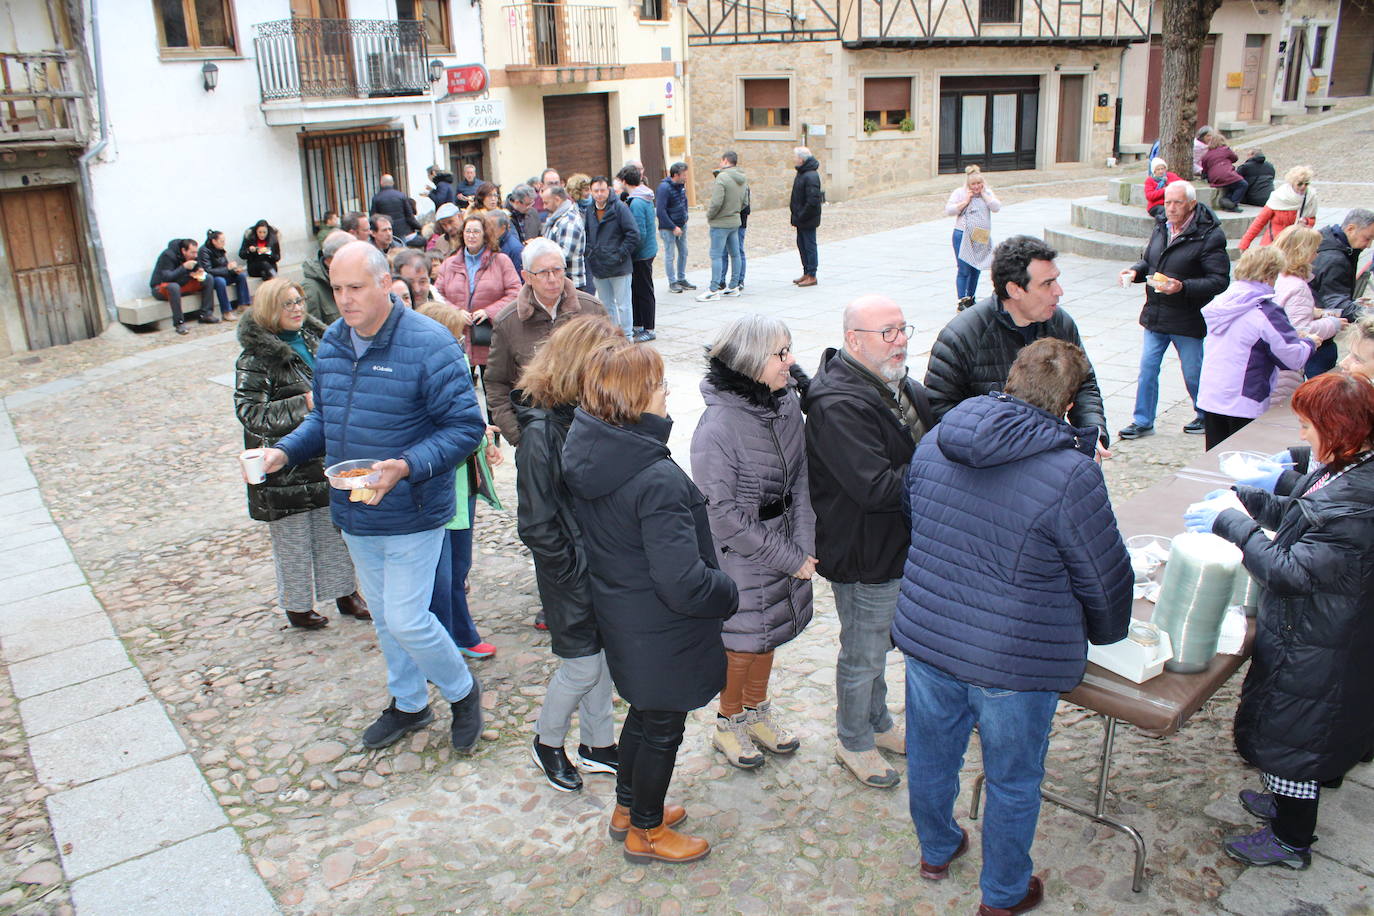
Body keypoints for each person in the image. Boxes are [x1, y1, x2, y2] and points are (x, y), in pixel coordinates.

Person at [894, 338, 1132, 916]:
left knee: (930, 755)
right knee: (1012, 779)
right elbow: (1104, 579)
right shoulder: (1070, 474)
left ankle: (937, 850)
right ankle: (1002, 894)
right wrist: (1105, 634)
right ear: (1069, 405)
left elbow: (916, 515)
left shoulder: (935, 442)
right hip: (1014, 660)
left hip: (930, 637)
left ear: (1010, 380)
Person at [260, 241, 486, 753]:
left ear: (386, 283)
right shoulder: (334, 343)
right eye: (337, 288)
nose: (343, 299)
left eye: (355, 287)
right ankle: (409, 703)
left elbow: (465, 428)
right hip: (355, 507)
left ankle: (462, 690)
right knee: (386, 618)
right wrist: (283, 453)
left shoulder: (430, 343)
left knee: (408, 618)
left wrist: (404, 466)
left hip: (413, 507)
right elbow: (325, 419)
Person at [1185, 371, 1374, 871]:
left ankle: (1291, 840)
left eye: (1310, 426)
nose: (1303, 436)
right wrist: (1250, 500)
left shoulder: (1356, 507)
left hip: (1319, 640)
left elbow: (1288, 572)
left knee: (1295, 740)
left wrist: (1233, 524)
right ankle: (1287, 802)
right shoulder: (1347, 471)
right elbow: (1301, 514)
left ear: (1340, 431)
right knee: (1288, 730)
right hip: (1313, 632)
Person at [562, 344, 739, 864]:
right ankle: (647, 831)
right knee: (662, 729)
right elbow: (682, 582)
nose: (667, 394)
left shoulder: (598, 454)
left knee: (644, 717)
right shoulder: (652, 476)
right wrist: (727, 591)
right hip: (665, 629)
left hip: (627, 618)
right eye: (661, 387)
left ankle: (628, 807)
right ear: (636, 399)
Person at [804, 295, 935, 789]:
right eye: (888, 332)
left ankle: (878, 725)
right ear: (854, 340)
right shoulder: (838, 403)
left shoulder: (892, 383)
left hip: (895, 543)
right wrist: (939, 471)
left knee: (879, 646)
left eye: (903, 329)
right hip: (863, 550)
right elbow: (876, 487)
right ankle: (852, 740)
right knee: (863, 653)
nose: (900, 340)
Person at [691, 315, 815, 770]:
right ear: (748, 362)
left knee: (770, 634)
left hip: (783, 539)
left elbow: (800, 476)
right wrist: (789, 557)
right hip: (741, 552)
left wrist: (802, 542)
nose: (791, 361)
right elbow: (720, 513)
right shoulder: (718, 426)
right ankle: (728, 722)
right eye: (780, 353)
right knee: (743, 642)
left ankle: (757, 712)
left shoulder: (786, 405)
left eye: (789, 348)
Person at [513, 314, 626, 790]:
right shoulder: (541, 432)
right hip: (570, 572)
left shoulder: (583, 415)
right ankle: (547, 740)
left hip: (596, 563)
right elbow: (537, 525)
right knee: (580, 665)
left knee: (598, 656)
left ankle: (599, 743)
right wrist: (577, 568)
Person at [234, 277, 369, 630]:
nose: (296, 309)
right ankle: (296, 604)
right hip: (285, 464)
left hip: (326, 455)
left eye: (299, 301)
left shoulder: (316, 338)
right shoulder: (256, 357)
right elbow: (251, 413)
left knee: (332, 528)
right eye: (287, 304)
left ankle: (345, 593)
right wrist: (304, 404)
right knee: (293, 538)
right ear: (269, 310)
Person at [925, 236, 1108, 447]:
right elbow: (941, 414)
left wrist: (1094, 436)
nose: (1059, 291)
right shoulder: (960, 337)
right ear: (1015, 290)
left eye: (1056, 280)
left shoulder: (1060, 323)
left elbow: (1084, 383)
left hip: (1049, 451)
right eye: (1047, 284)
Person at [416, 301, 504, 660]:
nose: (461, 347)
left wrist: (482, 437)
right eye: (454, 339)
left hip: (461, 484)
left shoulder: (451, 370)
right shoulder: (424, 375)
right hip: (441, 489)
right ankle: (453, 636)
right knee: (444, 570)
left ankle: (457, 632)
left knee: (458, 564)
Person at [1118, 180, 1230, 438]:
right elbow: (1150, 260)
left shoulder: (1209, 234)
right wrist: (1135, 271)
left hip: (1187, 316)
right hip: (1156, 312)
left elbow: (1219, 280)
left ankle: (1205, 414)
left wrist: (1183, 287)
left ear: (1191, 204)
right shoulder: (1161, 225)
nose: (1170, 208)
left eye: (1177, 202)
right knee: (1147, 369)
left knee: (1193, 371)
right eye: (1167, 202)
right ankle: (1143, 420)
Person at [484, 238, 607, 453]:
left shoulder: (591, 309)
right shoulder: (508, 321)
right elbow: (496, 384)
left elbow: (618, 368)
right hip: (539, 442)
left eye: (557, 270)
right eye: (543, 272)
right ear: (527, 277)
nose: (552, 279)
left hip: (592, 436)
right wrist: (519, 436)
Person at [1197, 246, 1317, 448]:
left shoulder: (1221, 302)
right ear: (1269, 275)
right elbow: (1292, 357)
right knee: (1242, 461)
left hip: (1212, 394)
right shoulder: (1265, 311)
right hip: (1245, 399)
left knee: (1215, 461)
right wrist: (1310, 342)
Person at [435, 214, 521, 377]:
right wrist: (455, 312)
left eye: (476, 231)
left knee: (493, 391)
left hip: (489, 338)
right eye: (468, 231)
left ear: (485, 234)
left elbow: (515, 292)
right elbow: (437, 295)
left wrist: (489, 312)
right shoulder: (449, 264)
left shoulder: (501, 261)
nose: (471, 235)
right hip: (457, 337)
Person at [1271, 226, 1346, 398]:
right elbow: (1299, 329)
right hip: (1284, 369)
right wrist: (1333, 324)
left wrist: (1314, 312)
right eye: (1314, 250)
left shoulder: (1277, 278)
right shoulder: (1297, 286)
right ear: (1303, 253)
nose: (1317, 255)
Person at [584, 175, 639, 337]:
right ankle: (613, 336)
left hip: (619, 266)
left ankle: (627, 337)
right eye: (596, 191)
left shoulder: (619, 208)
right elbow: (587, 233)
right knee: (606, 305)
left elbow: (633, 234)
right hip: (599, 266)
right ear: (591, 192)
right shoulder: (589, 210)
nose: (599, 194)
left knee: (624, 305)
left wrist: (620, 254)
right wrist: (590, 252)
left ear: (608, 190)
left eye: (602, 190)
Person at [944, 165, 1002, 311]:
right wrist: (965, 201)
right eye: (973, 184)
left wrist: (984, 195)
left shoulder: (986, 193)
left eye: (979, 184)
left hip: (980, 234)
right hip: (963, 233)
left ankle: (971, 297)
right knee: (964, 268)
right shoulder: (960, 193)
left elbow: (996, 207)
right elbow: (949, 210)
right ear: (968, 184)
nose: (976, 187)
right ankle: (961, 300)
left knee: (976, 267)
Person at [1311, 209, 1374, 324]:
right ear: (1350, 229)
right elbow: (1337, 306)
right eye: (1367, 238)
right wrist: (1369, 312)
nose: (1369, 245)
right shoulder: (1334, 260)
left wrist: (1354, 303)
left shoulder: (1327, 237)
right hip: (1317, 326)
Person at [700, 151, 748, 302]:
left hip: (720, 222)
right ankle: (734, 286)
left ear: (726, 161)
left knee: (716, 255)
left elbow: (716, 202)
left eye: (721, 161)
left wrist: (710, 215)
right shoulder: (742, 178)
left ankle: (713, 289)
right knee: (735, 254)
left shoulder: (722, 177)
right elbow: (745, 201)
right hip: (735, 221)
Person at [620, 165, 658, 342]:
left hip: (641, 254)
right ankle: (639, 325)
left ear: (624, 181)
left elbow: (639, 233)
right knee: (638, 290)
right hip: (646, 251)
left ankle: (649, 328)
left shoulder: (636, 202)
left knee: (643, 291)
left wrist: (629, 251)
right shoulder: (644, 196)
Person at [1240, 165, 1318, 251]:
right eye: (1299, 184)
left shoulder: (1310, 197)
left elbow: (1312, 219)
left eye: (1306, 183)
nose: (1303, 186)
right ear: (1292, 182)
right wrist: (1245, 243)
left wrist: (1306, 221)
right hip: (1274, 243)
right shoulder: (1278, 197)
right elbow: (1259, 222)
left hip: (1295, 245)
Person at [149, 237, 212, 334]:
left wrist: (199, 269)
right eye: (192, 253)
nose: (195, 255)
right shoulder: (167, 255)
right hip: (161, 287)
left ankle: (206, 314)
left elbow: (198, 265)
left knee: (208, 278)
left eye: (196, 252)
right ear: (183, 250)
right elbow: (167, 277)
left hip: (182, 283)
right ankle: (179, 323)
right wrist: (184, 267)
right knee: (174, 287)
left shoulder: (193, 256)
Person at [541, 184, 587, 293]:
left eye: (546, 202)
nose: (544, 207)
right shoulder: (558, 218)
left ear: (557, 200)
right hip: (561, 283)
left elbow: (564, 255)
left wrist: (541, 258)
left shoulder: (570, 221)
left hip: (571, 285)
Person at [789, 146, 823, 288]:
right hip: (800, 218)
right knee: (802, 245)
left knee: (809, 246)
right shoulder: (802, 173)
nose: (795, 160)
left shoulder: (811, 175)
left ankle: (812, 274)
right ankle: (806, 272)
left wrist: (801, 214)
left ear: (802, 159)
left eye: (796, 157)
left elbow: (813, 200)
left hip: (807, 218)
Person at [657, 162, 693, 293]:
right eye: (684, 175)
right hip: (668, 228)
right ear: (676, 175)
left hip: (682, 225)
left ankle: (681, 279)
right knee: (670, 255)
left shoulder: (681, 186)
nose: (686, 177)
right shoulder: (664, 188)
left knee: (684, 252)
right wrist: (673, 227)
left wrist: (686, 216)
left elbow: (685, 201)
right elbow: (660, 211)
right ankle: (672, 282)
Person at [303, 230, 353, 325]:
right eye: (352, 256)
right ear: (333, 258)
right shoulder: (312, 289)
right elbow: (312, 332)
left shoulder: (351, 279)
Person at [198, 229, 250, 319]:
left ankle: (243, 303)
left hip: (224, 274)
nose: (224, 243)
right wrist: (227, 269)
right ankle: (226, 311)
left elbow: (225, 265)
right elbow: (208, 270)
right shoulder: (204, 251)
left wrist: (234, 270)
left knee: (241, 276)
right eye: (221, 241)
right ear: (214, 241)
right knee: (220, 281)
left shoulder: (220, 249)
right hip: (213, 278)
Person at [1201, 134, 1248, 212]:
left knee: (1232, 185)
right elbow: (1235, 158)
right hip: (1226, 174)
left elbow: (1205, 169)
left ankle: (1227, 200)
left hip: (1213, 177)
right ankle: (1232, 204)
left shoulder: (1206, 155)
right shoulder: (1225, 149)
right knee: (1243, 184)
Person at [485, 208, 525, 285]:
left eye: (491, 226)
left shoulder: (515, 249)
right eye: (485, 226)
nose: (487, 230)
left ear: (503, 227)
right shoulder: (489, 242)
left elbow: (520, 281)